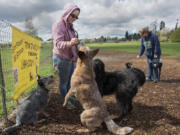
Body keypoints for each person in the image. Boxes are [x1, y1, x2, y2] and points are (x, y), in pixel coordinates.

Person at [52, 3, 80, 109]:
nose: (74, 18)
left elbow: (72, 44)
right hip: (62, 59)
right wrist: (70, 43)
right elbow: (58, 44)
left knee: (69, 81)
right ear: (67, 13)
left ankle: (68, 97)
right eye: (73, 15)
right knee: (63, 83)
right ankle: (65, 101)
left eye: (76, 17)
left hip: (70, 59)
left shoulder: (70, 27)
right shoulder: (59, 25)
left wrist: (76, 57)